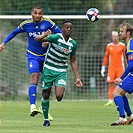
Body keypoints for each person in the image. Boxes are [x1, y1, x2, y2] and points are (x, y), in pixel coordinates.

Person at [0, 6, 62, 119]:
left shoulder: (48, 23)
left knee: (48, 83)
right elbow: (14, 32)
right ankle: (32, 106)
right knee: (34, 76)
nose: (37, 15)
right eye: (35, 13)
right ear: (31, 14)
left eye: (40, 13)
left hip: (46, 57)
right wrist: (3, 43)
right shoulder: (26, 24)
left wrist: (48, 42)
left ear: (42, 15)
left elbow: (60, 36)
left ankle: (43, 108)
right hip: (32, 55)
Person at [35, 20, 83, 126]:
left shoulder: (72, 44)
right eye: (66, 27)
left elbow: (73, 60)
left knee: (59, 97)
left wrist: (77, 77)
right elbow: (37, 39)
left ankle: (60, 88)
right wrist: (44, 35)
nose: (69, 29)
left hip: (61, 71)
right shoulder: (56, 37)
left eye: (70, 28)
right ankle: (46, 119)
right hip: (48, 68)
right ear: (62, 29)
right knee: (46, 94)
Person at [111, 22, 133, 126]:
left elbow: (131, 64)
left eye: (122, 31)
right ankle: (129, 115)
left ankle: (122, 117)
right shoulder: (129, 44)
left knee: (116, 93)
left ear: (128, 33)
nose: (120, 33)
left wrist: (121, 77)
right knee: (120, 92)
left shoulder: (130, 45)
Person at [101, 31, 126, 106]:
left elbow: (126, 58)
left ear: (118, 37)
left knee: (121, 84)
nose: (115, 38)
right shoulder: (109, 46)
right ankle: (110, 100)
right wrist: (103, 67)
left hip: (120, 68)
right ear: (112, 37)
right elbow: (106, 57)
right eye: (113, 36)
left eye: (116, 36)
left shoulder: (122, 46)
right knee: (111, 83)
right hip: (111, 68)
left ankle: (121, 99)